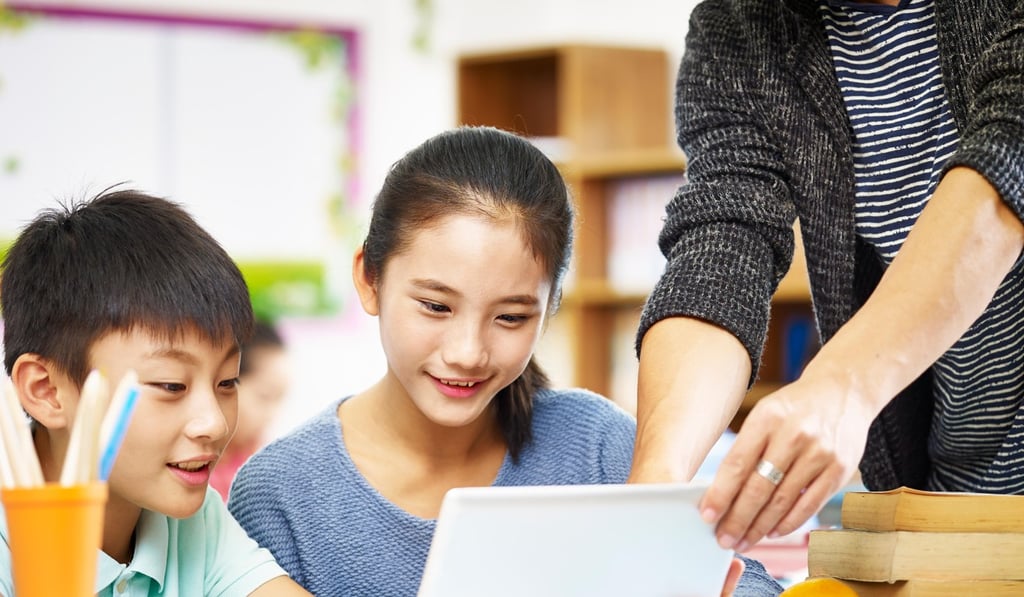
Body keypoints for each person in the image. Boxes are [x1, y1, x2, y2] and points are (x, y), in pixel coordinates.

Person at [227, 126, 782, 596]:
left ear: (551, 307)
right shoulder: (282, 493)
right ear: (369, 279)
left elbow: (749, 583)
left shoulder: (600, 450)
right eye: (436, 306)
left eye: (511, 318)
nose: (468, 352)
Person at [630, 0, 1024, 556]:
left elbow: (1008, 168)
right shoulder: (741, 23)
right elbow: (721, 242)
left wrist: (842, 386)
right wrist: (654, 489)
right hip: (959, 499)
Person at [0, 189, 312, 596]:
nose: (214, 424)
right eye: (171, 385)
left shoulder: (192, 523)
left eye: (228, 382)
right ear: (47, 390)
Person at [211, 319, 291, 501]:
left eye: (279, 399)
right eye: (265, 396)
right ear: (225, 383)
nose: (272, 414)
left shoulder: (258, 463)